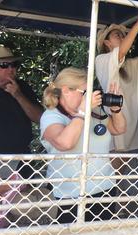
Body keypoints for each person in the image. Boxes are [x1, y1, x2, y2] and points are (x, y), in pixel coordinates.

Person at [95, 13, 138, 217]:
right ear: (106, 42)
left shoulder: (131, 65)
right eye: (117, 35)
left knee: (136, 196)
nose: (123, 37)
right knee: (114, 197)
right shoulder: (102, 60)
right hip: (116, 139)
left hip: (137, 140)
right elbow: (122, 50)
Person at [40, 68, 126, 224]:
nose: (89, 97)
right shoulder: (51, 116)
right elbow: (65, 143)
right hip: (70, 196)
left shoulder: (92, 113)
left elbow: (119, 129)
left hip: (105, 189)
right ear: (66, 91)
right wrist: (82, 112)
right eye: (85, 92)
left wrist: (116, 109)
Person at [0, 46, 44, 177]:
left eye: (14, 64)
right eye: (4, 65)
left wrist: (18, 95)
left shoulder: (23, 87)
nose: (11, 69)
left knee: (26, 196)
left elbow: (40, 118)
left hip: (21, 160)